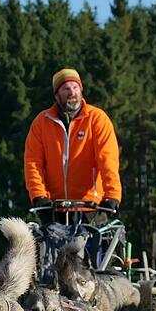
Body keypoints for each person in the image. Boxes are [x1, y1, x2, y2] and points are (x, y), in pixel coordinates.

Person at [24, 68, 122, 224]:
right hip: (54, 208)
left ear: (81, 89)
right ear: (56, 95)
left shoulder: (97, 119)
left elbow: (108, 160)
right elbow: (33, 163)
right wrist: (38, 196)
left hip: (91, 207)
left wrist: (112, 195)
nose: (72, 92)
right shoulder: (41, 123)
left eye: (75, 87)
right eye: (66, 88)